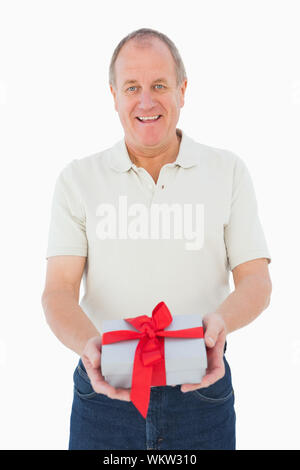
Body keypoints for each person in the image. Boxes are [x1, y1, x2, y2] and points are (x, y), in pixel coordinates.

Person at [41, 28, 272, 450]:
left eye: (159, 85)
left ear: (183, 90)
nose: (146, 101)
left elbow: (256, 280)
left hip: (200, 392)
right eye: (132, 87)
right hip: (104, 395)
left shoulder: (228, 171)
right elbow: (57, 292)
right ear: (113, 95)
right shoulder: (77, 180)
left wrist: (219, 326)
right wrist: (89, 347)